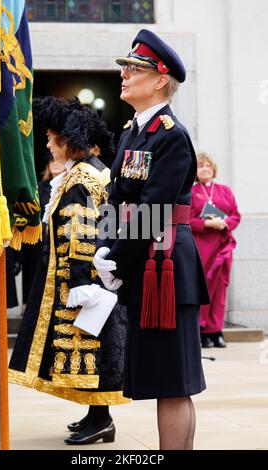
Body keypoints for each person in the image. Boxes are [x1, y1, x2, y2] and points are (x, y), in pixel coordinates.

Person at [92, 29, 210, 451]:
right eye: (125, 68)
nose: (124, 75)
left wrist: (117, 259)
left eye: (134, 69)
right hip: (145, 259)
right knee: (167, 377)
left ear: (161, 79)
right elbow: (118, 196)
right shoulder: (131, 133)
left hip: (164, 265)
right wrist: (105, 245)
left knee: (172, 381)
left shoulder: (170, 134)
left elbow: (155, 208)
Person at [8, 96, 128, 446]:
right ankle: (95, 415)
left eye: (50, 137)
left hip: (84, 282)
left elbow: (81, 234)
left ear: (67, 139)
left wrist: (78, 283)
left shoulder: (81, 180)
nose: (46, 144)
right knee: (89, 350)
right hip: (87, 279)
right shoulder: (86, 172)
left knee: (90, 350)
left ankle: (102, 419)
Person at [190, 152, 241, 348]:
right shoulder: (192, 192)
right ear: (196, 171)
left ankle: (216, 331)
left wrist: (225, 222)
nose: (205, 168)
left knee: (220, 290)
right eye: (201, 166)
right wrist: (208, 224)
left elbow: (236, 215)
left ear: (214, 169)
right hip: (203, 247)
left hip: (222, 245)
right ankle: (202, 331)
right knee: (204, 288)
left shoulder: (225, 190)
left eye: (208, 166)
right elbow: (187, 219)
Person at [21, 154, 66, 305]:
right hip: (39, 243)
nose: (54, 164)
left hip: (60, 241)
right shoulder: (38, 187)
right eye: (51, 161)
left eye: (58, 161)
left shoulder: (69, 186)